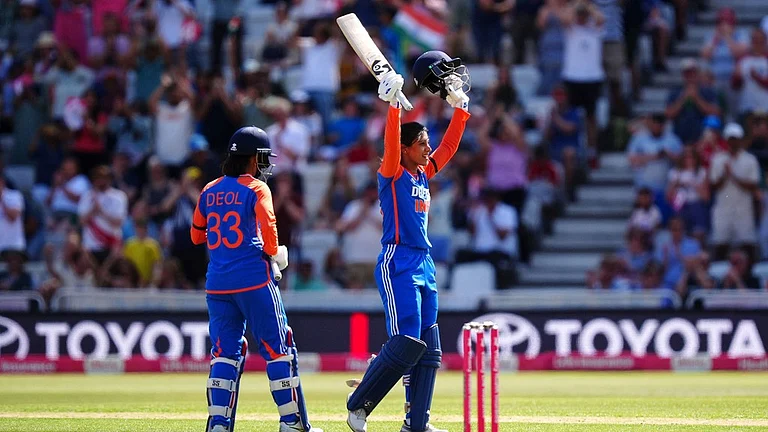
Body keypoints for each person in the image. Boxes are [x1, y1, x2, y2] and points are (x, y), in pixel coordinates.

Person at [346, 50, 470, 432]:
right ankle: (358, 405)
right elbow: (389, 146)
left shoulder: (421, 174)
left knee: (430, 352)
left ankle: (416, 424)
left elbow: (448, 149)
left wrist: (461, 110)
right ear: (404, 149)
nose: (428, 149)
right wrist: (393, 107)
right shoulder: (393, 173)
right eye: (421, 144)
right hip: (397, 262)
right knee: (407, 342)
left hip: (425, 263)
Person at [190, 127, 321, 432]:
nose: (264, 163)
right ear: (251, 159)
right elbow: (270, 230)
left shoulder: (209, 189)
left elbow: (197, 236)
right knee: (279, 347)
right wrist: (276, 254)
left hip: (218, 284)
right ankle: (291, 423)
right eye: (262, 157)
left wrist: (225, 243)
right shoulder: (258, 188)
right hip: (254, 280)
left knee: (225, 352)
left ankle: (219, 425)